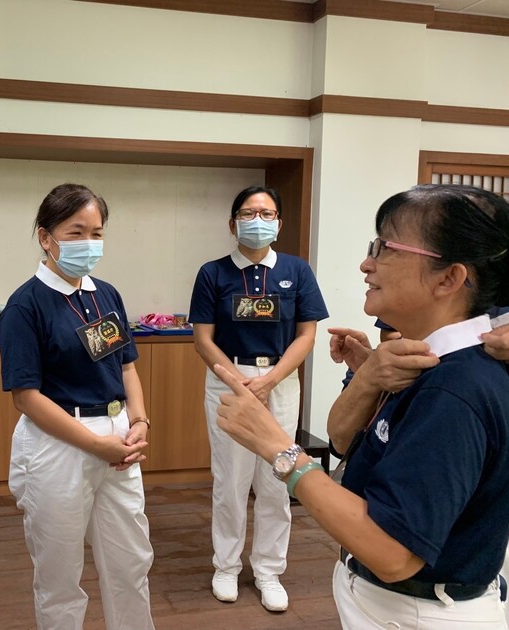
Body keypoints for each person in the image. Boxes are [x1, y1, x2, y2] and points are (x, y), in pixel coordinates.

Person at [216, 184, 509, 629]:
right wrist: (368, 376)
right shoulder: (422, 361)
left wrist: (279, 448)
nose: (366, 264)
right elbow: (341, 439)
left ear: (449, 279)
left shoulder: (455, 388)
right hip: (384, 600)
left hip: (418, 612)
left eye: (385, 248)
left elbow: (394, 553)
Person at [0, 183, 154, 630]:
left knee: (131, 561)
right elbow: (26, 397)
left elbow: (126, 366)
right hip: (59, 444)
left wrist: (139, 420)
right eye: (76, 232)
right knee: (60, 575)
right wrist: (95, 444)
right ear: (46, 237)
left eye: (96, 233)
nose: (89, 243)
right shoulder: (24, 305)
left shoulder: (106, 293)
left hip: (119, 438)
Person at [188, 185, 328, 611]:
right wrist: (238, 382)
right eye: (249, 213)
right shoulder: (213, 273)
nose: (258, 221)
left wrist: (269, 381)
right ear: (233, 224)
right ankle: (226, 566)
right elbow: (203, 339)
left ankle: (269, 570)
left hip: (280, 380)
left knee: (277, 477)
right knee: (229, 479)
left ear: (279, 224)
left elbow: (306, 335)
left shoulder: (296, 271)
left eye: (267, 214)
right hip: (228, 379)